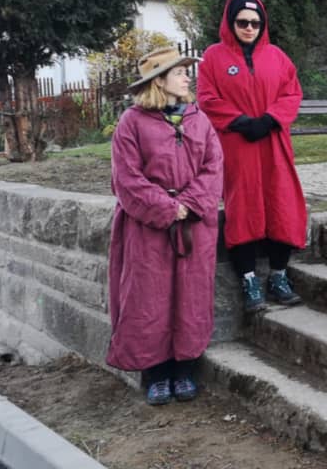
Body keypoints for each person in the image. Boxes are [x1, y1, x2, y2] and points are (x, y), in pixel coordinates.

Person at [107, 47, 223, 405]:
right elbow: (126, 178)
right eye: (179, 72)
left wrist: (190, 205)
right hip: (148, 228)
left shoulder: (199, 120)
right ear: (159, 81)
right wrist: (167, 208)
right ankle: (155, 374)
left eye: (186, 71)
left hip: (194, 226)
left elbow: (214, 167)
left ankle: (184, 369)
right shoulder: (131, 123)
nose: (187, 78)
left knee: (191, 296)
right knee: (148, 297)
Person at [198, 0, 306, 312]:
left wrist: (270, 119)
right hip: (238, 145)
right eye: (242, 22)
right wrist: (240, 121)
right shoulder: (213, 58)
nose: (249, 28)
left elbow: (292, 93)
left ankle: (279, 276)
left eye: (255, 23)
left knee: (281, 204)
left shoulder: (277, 57)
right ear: (230, 23)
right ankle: (248, 280)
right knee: (243, 208)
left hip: (273, 143)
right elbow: (207, 98)